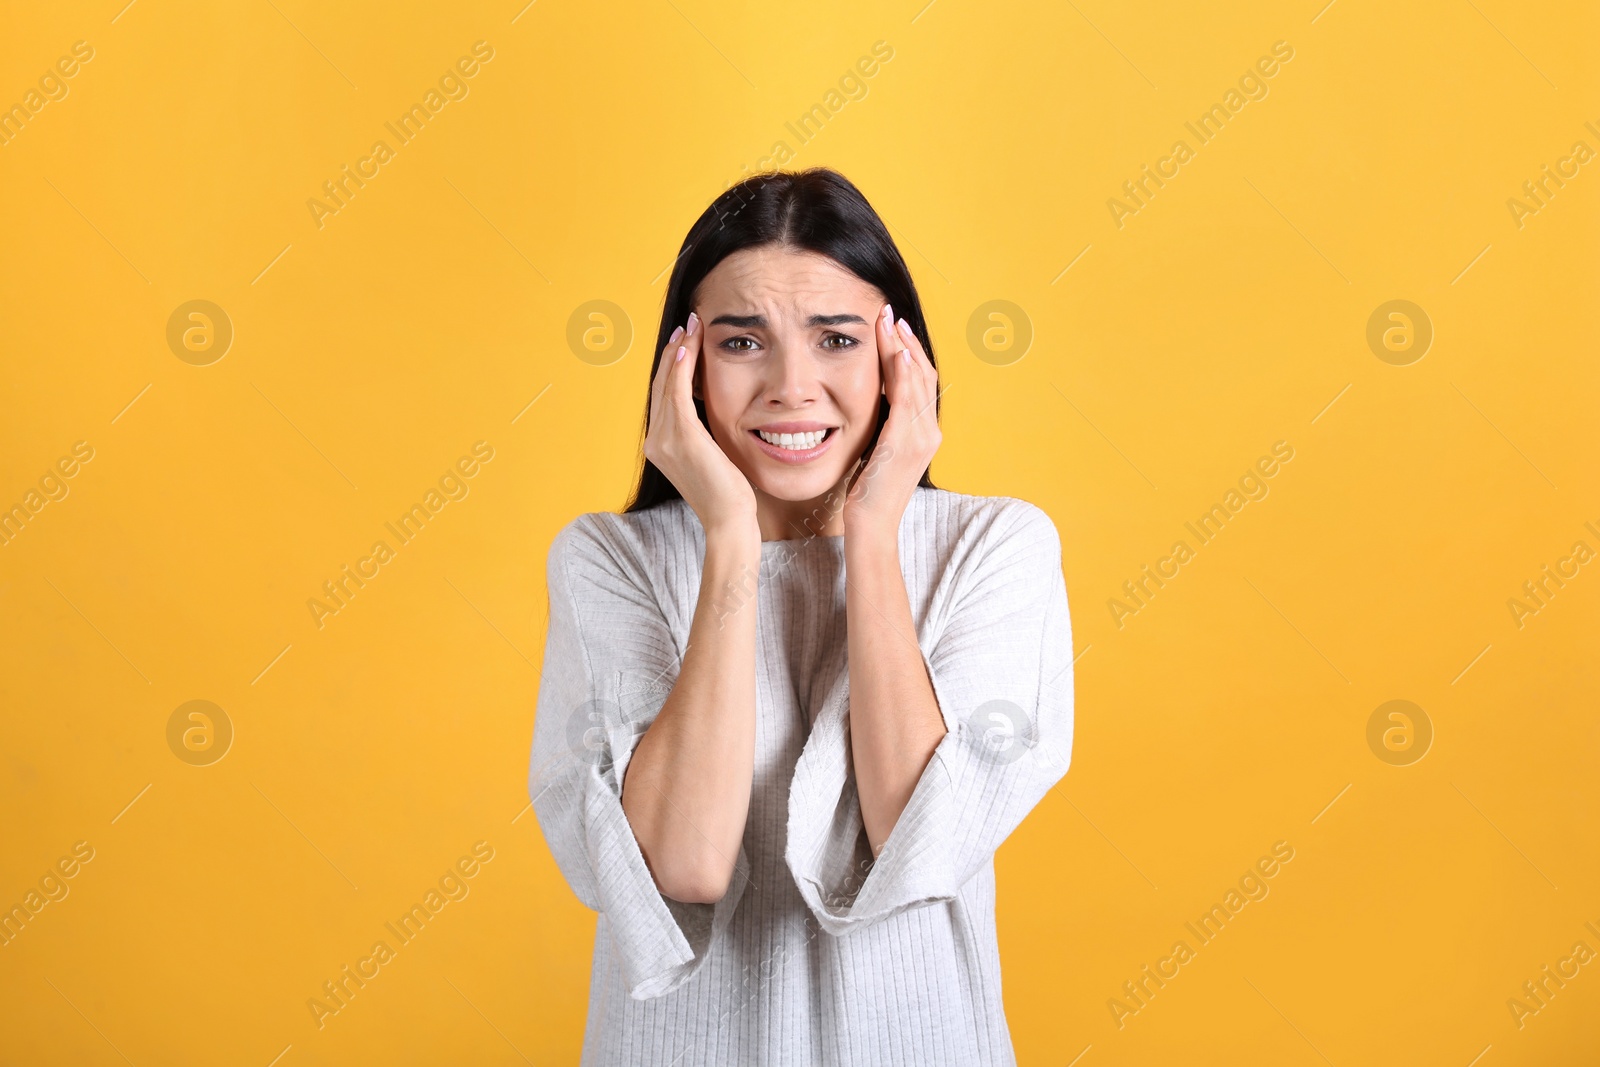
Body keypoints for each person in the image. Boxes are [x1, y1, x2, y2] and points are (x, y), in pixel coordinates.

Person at [528, 167, 1074, 1066]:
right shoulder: (609, 560)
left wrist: (872, 525)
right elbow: (684, 865)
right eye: (742, 342)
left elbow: (917, 836)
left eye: (834, 339)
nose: (791, 385)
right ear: (685, 364)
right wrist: (732, 536)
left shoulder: (994, 548)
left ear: (900, 359)